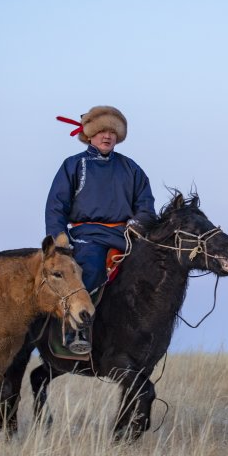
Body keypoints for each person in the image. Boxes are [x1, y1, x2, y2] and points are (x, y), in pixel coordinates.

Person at [46, 105, 156, 354]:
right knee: (91, 268)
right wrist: (59, 238)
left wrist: (138, 224)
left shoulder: (131, 168)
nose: (107, 136)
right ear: (89, 134)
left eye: (112, 131)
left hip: (125, 236)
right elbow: (56, 206)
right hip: (87, 236)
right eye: (102, 131)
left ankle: (145, 335)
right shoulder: (73, 165)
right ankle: (77, 330)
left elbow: (146, 205)